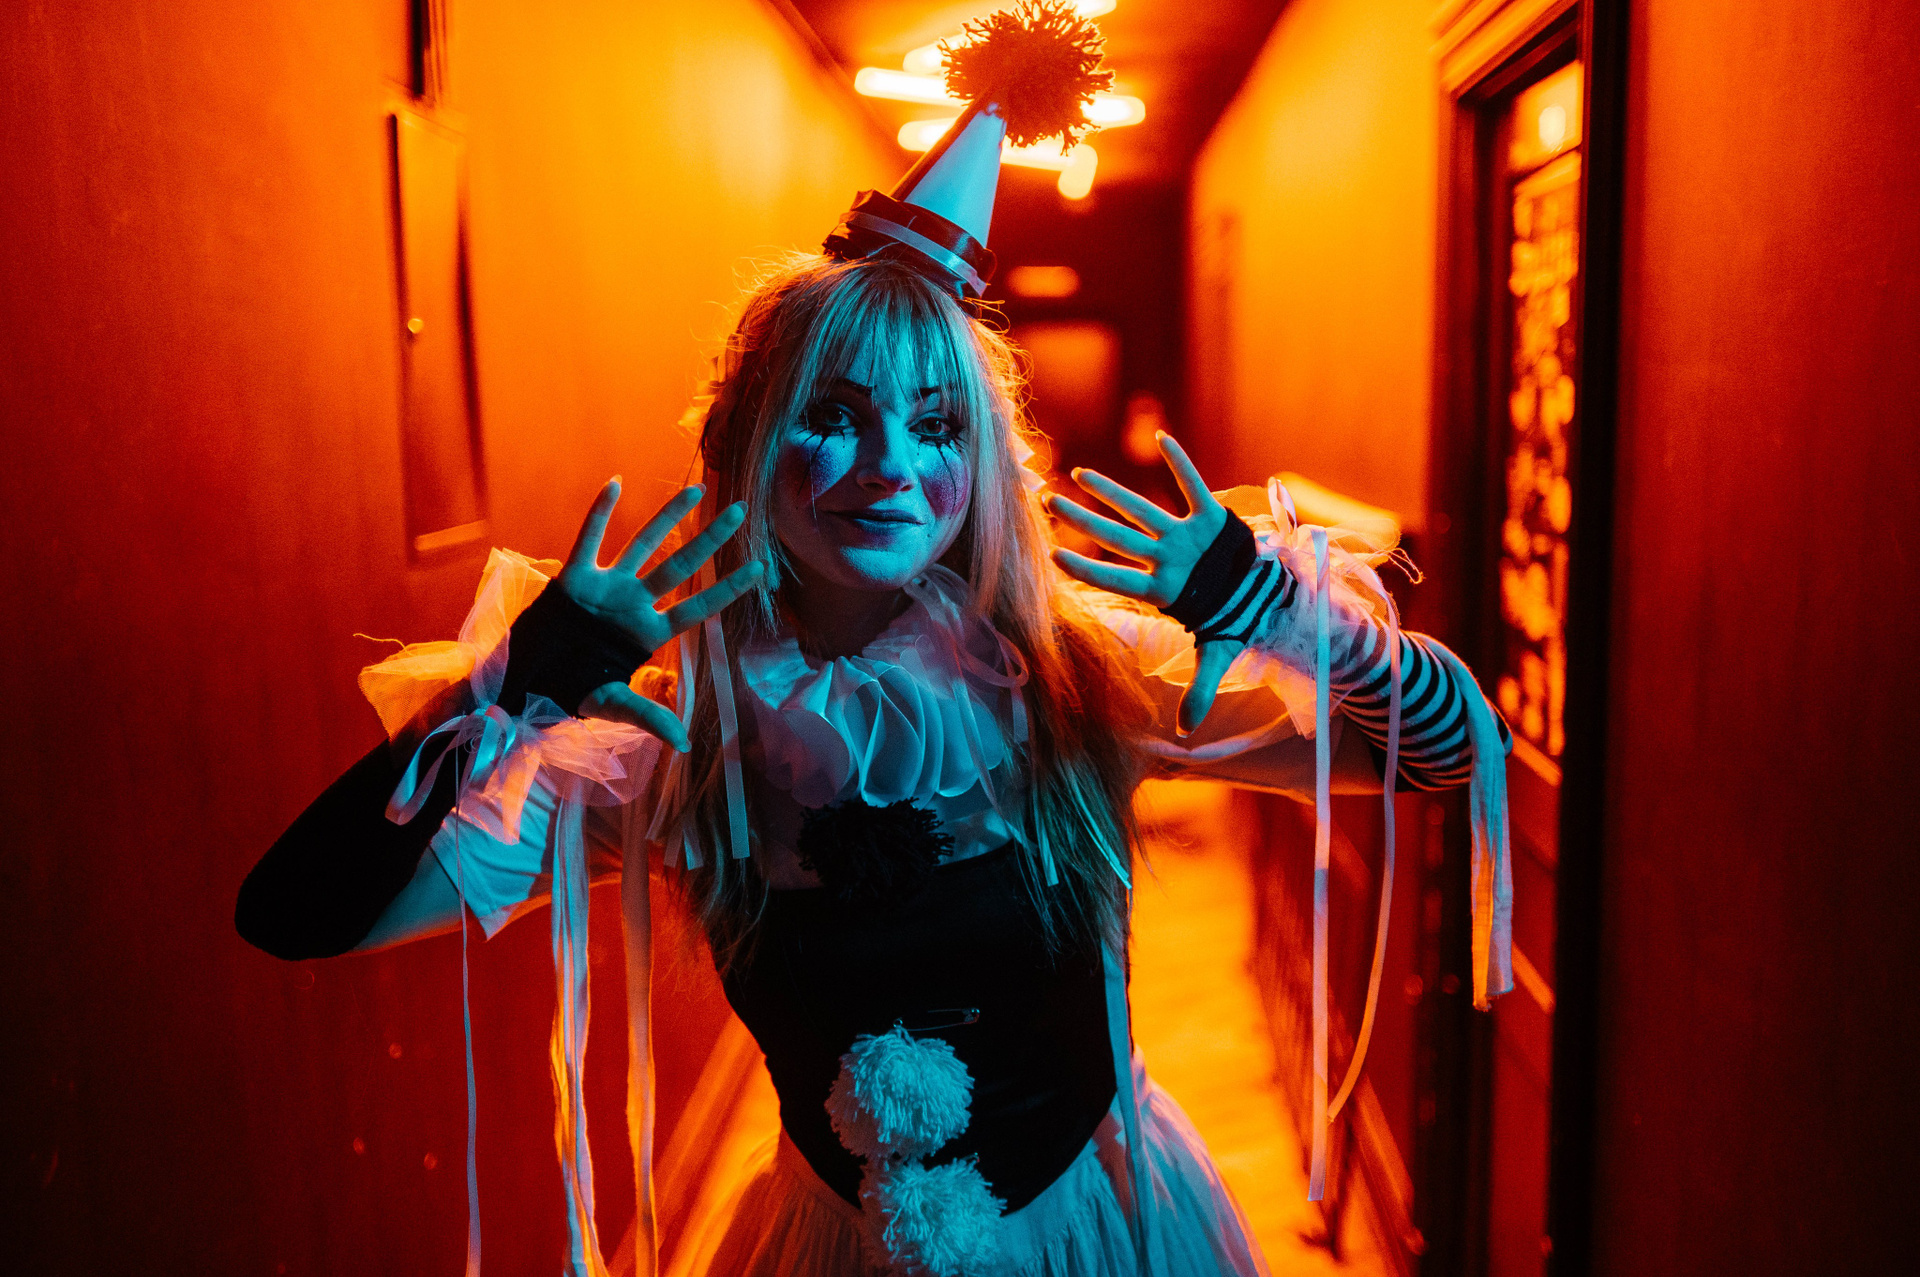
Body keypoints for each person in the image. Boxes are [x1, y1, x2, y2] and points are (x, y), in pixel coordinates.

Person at [236, 7, 1511, 1274]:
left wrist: (1281, 614)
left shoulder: (1081, 677)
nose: (891, 465)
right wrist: (519, 684)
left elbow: (1453, 754)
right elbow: (298, 913)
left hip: (1106, 1227)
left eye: (937, 424)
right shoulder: (675, 741)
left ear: (985, 462)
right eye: (834, 414)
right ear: (747, 447)